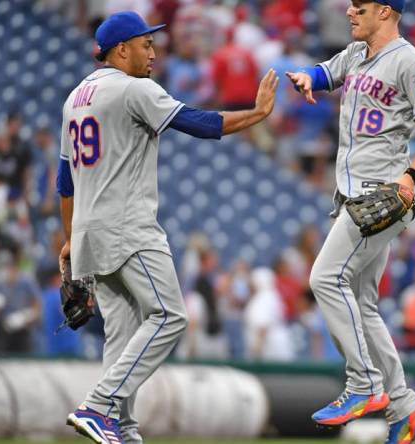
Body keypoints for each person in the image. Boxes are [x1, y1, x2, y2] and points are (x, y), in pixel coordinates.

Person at [60, 11, 278, 444]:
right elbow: (198, 123)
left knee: (121, 338)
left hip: (89, 233)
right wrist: (257, 113)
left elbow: (64, 180)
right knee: (170, 317)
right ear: (122, 49)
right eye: (146, 44)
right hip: (127, 226)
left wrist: (69, 239)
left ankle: (122, 429)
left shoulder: (74, 98)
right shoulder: (133, 88)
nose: (154, 52)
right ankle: (98, 406)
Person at [285, 1, 415, 441]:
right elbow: (328, 71)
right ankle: (404, 404)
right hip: (352, 195)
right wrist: (309, 77)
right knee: (362, 304)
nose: (348, 11)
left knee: (324, 278)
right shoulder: (358, 53)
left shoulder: (410, 62)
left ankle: (363, 383)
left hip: (381, 194)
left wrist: (412, 174)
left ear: (385, 11)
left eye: (359, 6)